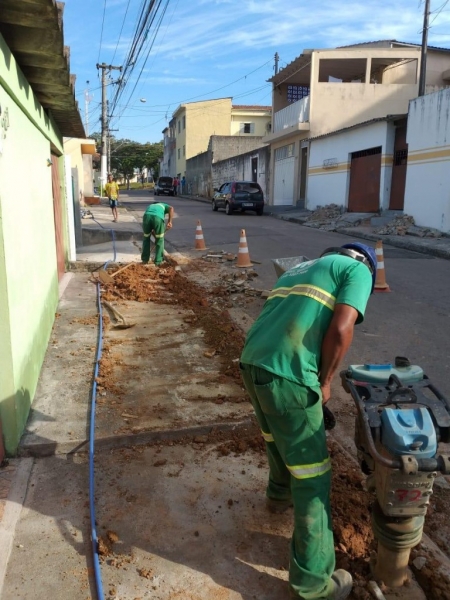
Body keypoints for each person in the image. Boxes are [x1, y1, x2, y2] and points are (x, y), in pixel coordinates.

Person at [239, 243, 377, 600]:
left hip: (253, 360)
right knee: (313, 475)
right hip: (289, 373)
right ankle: (313, 586)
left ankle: (277, 496)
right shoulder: (357, 270)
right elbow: (343, 327)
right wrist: (326, 381)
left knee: (274, 437)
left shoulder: (302, 267)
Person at [141, 202, 174, 266]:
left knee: (146, 238)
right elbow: (171, 208)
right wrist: (170, 222)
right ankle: (158, 261)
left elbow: (152, 230)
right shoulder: (164, 205)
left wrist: (156, 238)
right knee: (160, 240)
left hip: (146, 217)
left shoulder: (151, 206)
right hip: (157, 218)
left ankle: (145, 260)